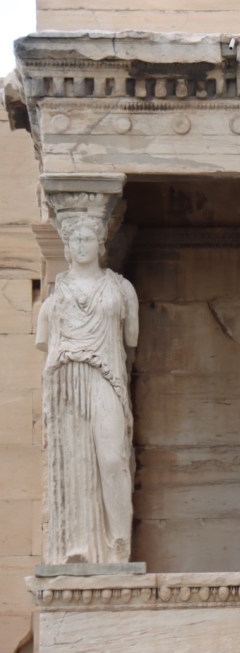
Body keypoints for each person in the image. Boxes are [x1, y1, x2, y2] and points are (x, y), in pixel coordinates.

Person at [36, 216, 138, 564]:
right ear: (66, 245)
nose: (81, 246)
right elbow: (44, 343)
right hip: (66, 380)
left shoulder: (122, 289)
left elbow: (132, 339)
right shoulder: (54, 299)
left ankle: (118, 544)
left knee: (112, 458)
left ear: (100, 243)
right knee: (74, 460)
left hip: (106, 377)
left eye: (88, 239)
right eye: (75, 240)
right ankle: (79, 549)